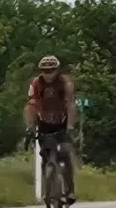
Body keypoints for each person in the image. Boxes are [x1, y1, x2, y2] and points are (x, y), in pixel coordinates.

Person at [25, 54, 78, 200]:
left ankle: (70, 189)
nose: (48, 74)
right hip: (44, 123)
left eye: (51, 71)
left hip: (62, 121)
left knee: (65, 152)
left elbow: (71, 105)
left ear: (57, 70)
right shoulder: (36, 83)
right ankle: (47, 187)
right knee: (45, 154)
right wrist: (29, 126)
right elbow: (31, 105)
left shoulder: (65, 83)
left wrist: (71, 126)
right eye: (45, 71)